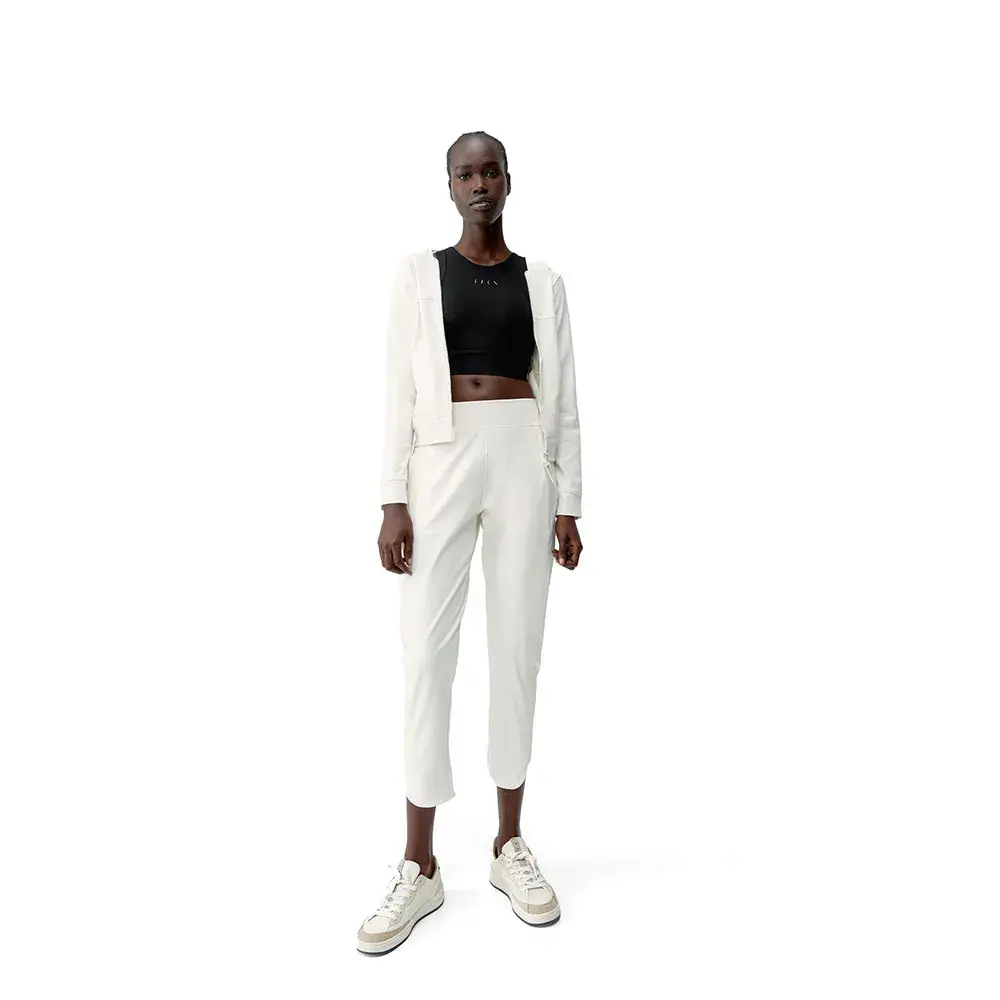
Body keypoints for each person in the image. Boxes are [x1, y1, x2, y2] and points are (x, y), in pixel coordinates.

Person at [357, 131, 583, 956]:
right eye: (465, 173)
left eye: (491, 170)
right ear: (449, 187)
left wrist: (569, 503)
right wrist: (392, 497)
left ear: (509, 181)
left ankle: (508, 844)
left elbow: (564, 398)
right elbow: (397, 388)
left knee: (517, 647)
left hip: (522, 456)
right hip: (439, 462)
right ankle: (419, 863)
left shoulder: (543, 281)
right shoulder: (419, 274)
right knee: (427, 653)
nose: (479, 183)